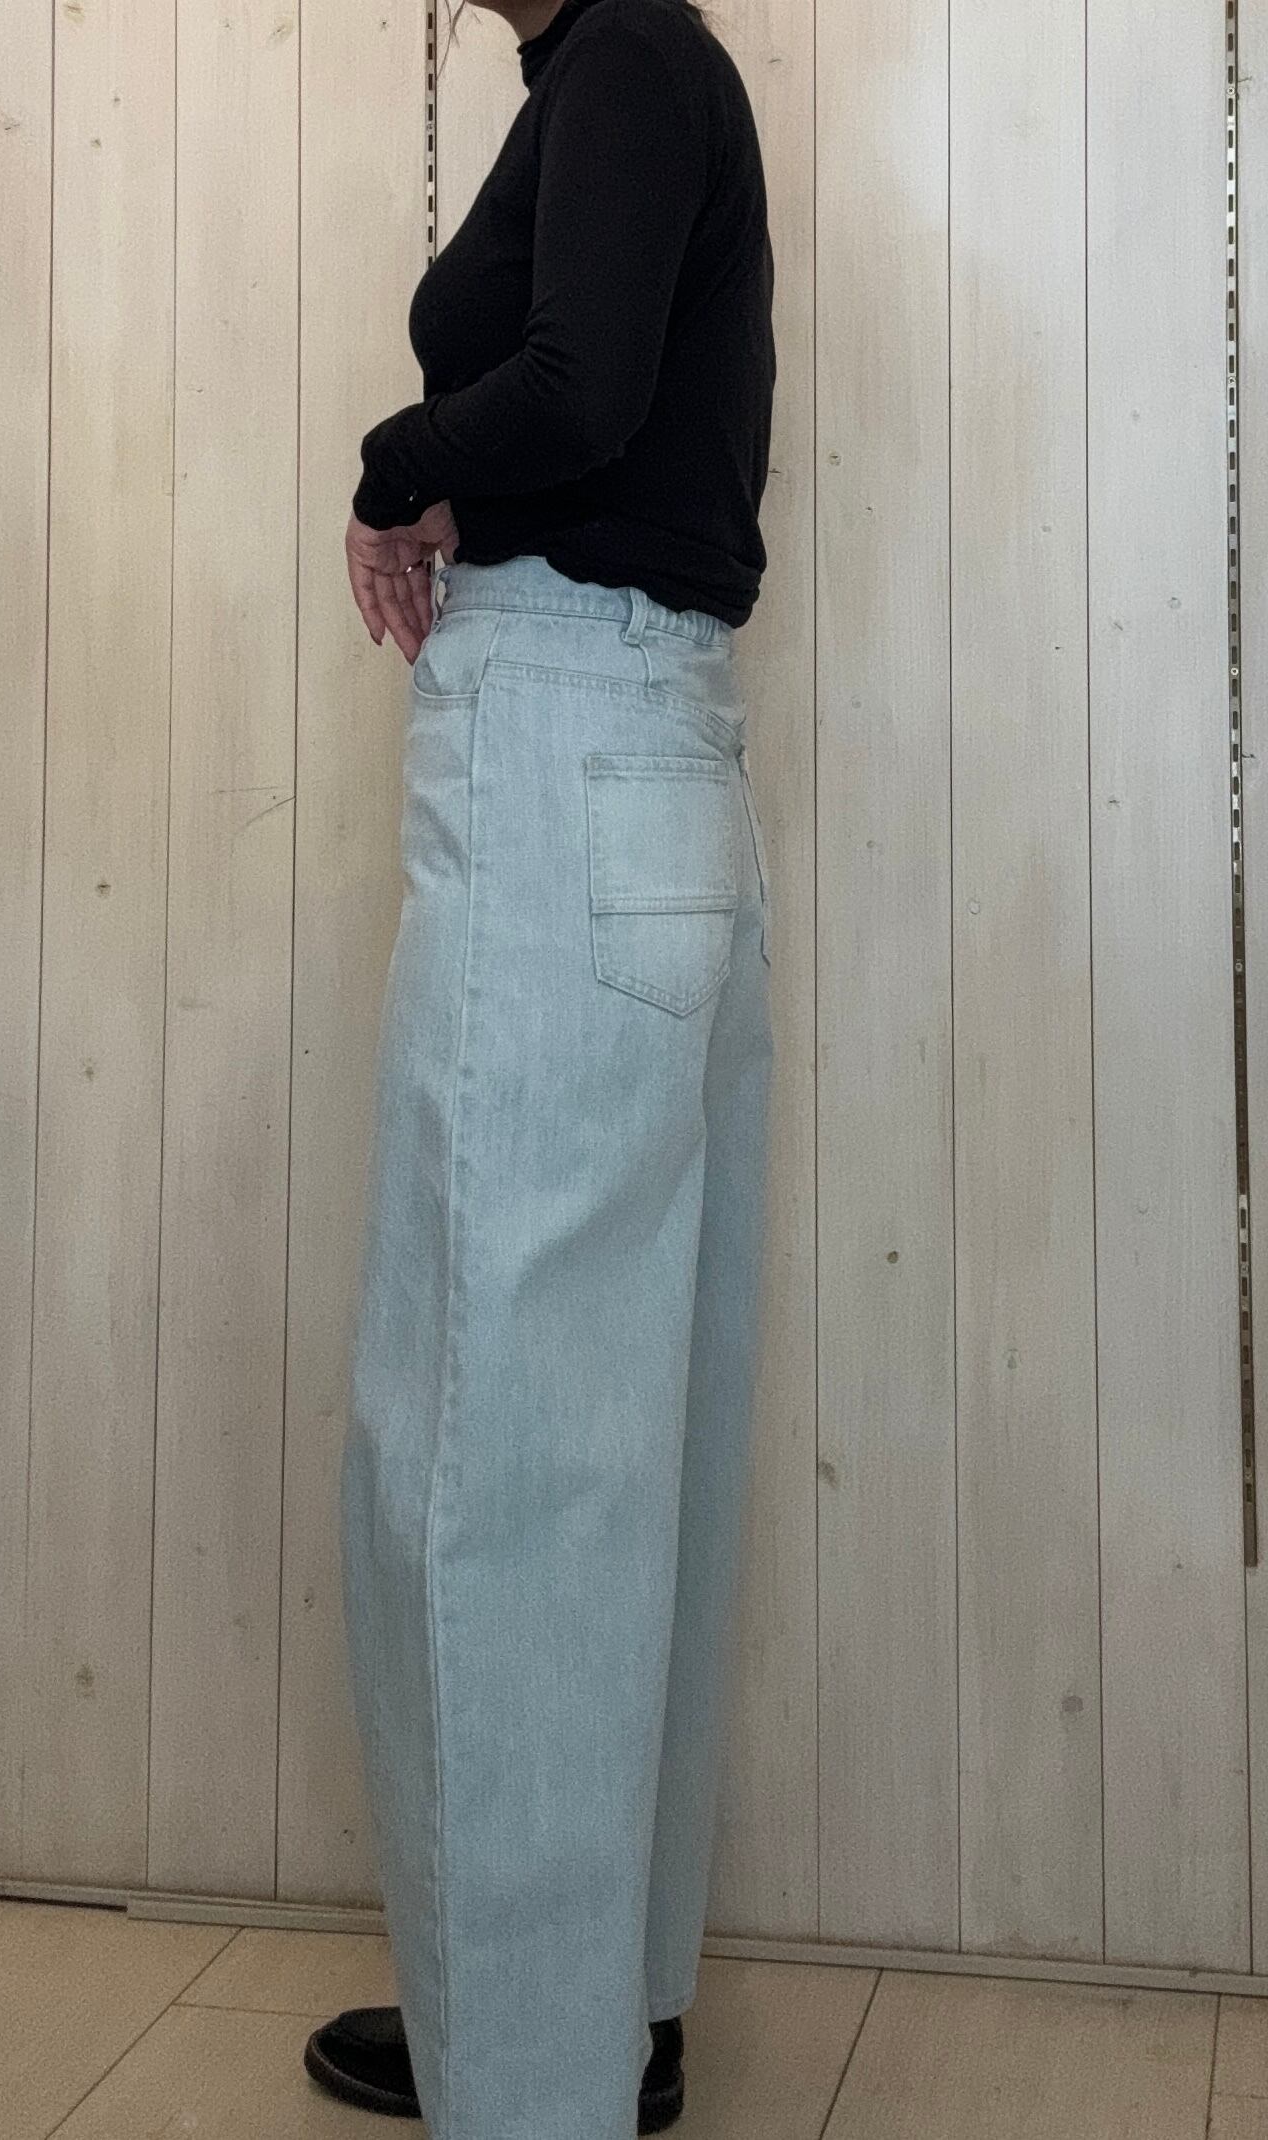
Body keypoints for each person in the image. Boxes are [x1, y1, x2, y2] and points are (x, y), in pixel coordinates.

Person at [309, 0, 776, 2130]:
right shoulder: (633, 75)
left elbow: (576, 391)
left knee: (486, 1447)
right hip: (650, 763)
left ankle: (522, 2075)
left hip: (564, 750)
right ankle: (596, 2019)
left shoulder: (627, 59)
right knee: (613, 1432)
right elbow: (609, 389)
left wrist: (392, 463)